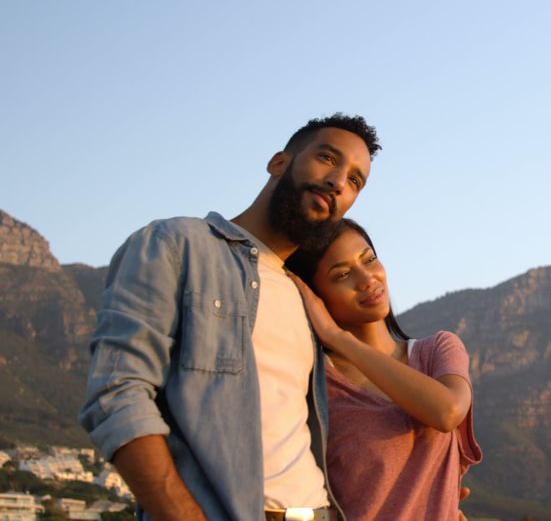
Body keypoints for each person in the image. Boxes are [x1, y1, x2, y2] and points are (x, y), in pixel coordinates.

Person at [78, 113, 379, 521]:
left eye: (356, 180)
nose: (338, 181)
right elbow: (117, 392)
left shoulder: (308, 297)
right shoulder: (177, 245)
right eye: (327, 158)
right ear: (279, 162)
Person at [285, 220, 482, 521]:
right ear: (316, 298)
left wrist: (339, 339)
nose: (367, 279)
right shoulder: (313, 384)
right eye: (343, 275)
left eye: (369, 259)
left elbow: (447, 411)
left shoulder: (437, 351)